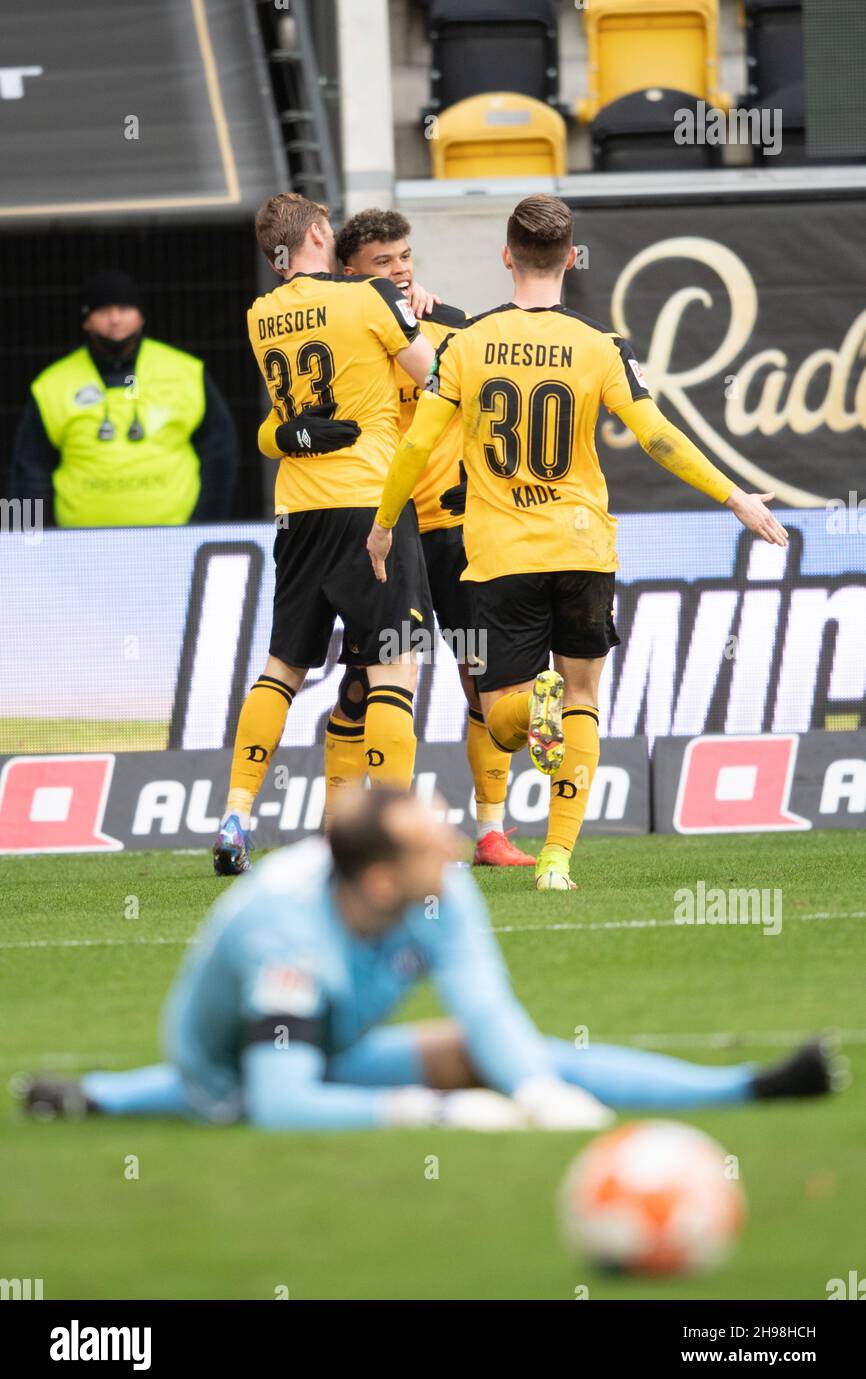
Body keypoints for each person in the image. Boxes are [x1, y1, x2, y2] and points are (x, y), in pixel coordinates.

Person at [367, 195, 790, 891]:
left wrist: (384, 523)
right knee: (584, 699)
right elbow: (657, 436)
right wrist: (735, 495)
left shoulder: (465, 344)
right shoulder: (601, 347)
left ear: (506, 255)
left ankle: (530, 707)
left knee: (498, 714)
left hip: (500, 555)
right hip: (582, 547)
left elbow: (416, 444)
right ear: (570, 257)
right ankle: (557, 860)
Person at [22, 787, 836, 1131]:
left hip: (327, 1037)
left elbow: (488, 1012)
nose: (452, 845)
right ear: (380, 877)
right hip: (232, 1070)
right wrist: (438, 1114)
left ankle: (748, 1088)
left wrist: (538, 1092)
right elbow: (278, 1101)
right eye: (429, 839)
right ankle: (101, 1101)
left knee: (481, 1053)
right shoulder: (284, 936)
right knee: (246, 1088)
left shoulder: (439, 888)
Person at [212, 193, 436, 877]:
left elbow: (286, 417)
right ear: (317, 232)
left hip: (298, 510)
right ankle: (394, 833)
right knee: (394, 663)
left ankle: (236, 814)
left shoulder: (260, 316)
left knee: (284, 665)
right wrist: (410, 311)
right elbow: (434, 375)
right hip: (371, 503)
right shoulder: (369, 296)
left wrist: (277, 434)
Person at [328, 207, 534, 869]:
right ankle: (351, 835)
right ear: (348, 273)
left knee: (481, 679)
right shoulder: (342, 341)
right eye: (381, 262)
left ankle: (491, 831)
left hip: (454, 530)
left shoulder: (451, 325)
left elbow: (492, 416)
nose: (399, 270)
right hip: (381, 534)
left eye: (404, 257)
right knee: (368, 681)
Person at [11, 270, 238, 526]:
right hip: (77, 551)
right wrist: (30, 543)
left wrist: (205, 526)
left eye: (124, 308)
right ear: (85, 320)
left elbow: (220, 454)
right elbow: (29, 472)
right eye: (103, 310)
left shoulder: (185, 371)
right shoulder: (52, 384)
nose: (115, 319)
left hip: (175, 545)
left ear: (141, 317)